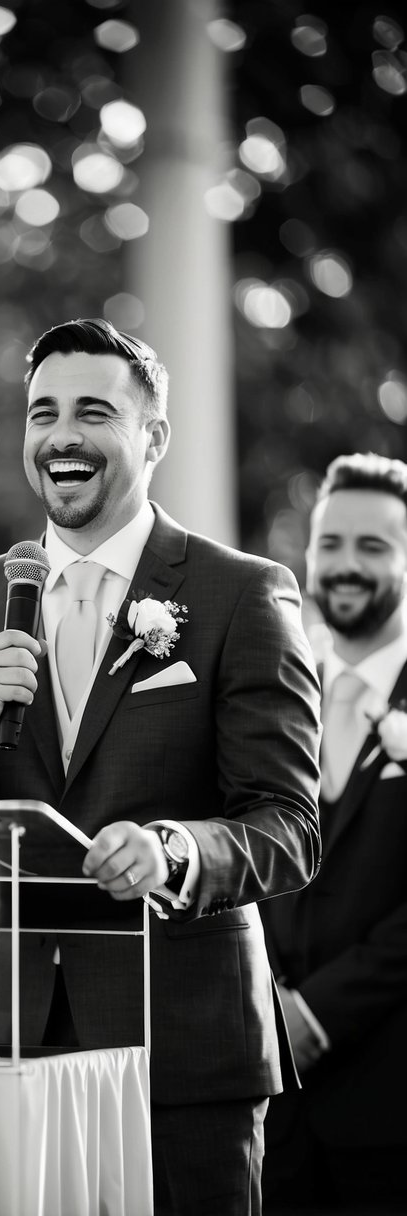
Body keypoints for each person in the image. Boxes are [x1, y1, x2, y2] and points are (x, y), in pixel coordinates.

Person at [0, 318, 322, 1215]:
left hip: (183, 1046)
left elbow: (288, 823)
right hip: (4, 1039)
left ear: (152, 437)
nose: (61, 437)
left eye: (94, 412)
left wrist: (173, 850)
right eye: (41, 413)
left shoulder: (239, 592)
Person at [261, 453, 407, 1214]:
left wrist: (315, 1012)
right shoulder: (272, 690)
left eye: (373, 546)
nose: (344, 565)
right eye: (330, 544)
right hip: (270, 1111)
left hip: (393, 1099)